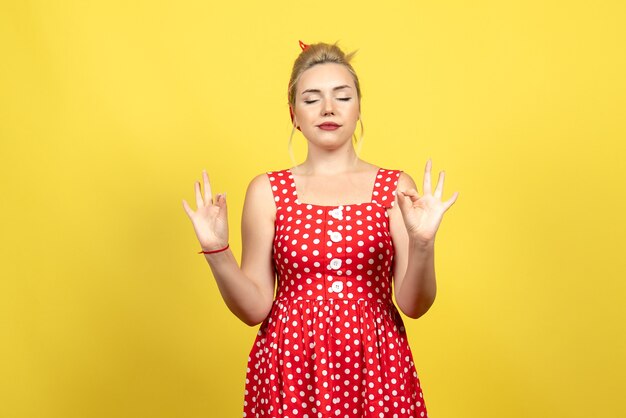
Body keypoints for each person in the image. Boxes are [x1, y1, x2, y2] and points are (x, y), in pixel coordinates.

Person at [182, 41, 458, 418]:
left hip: (376, 369)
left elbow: (413, 305)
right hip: (291, 371)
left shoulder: (395, 187)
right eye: (311, 99)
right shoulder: (267, 191)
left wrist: (423, 243)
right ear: (293, 114)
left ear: (359, 107)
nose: (328, 108)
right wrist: (217, 251)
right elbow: (255, 307)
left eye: (342, 96)